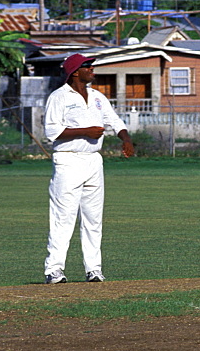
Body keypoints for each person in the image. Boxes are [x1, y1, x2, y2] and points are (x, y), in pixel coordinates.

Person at [43, 53, 134, 284]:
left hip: (93, 160)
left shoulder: (97, 97)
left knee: (93, 219)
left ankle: (93, 269)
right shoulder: (59, 97)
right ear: (75, 72)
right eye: (87, 66)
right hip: (68, 160)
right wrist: (85, 131)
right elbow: (52, 131)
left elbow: (115, 121)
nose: (93, 69)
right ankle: (54, 270)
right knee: (63, 218)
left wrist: (126, 139)